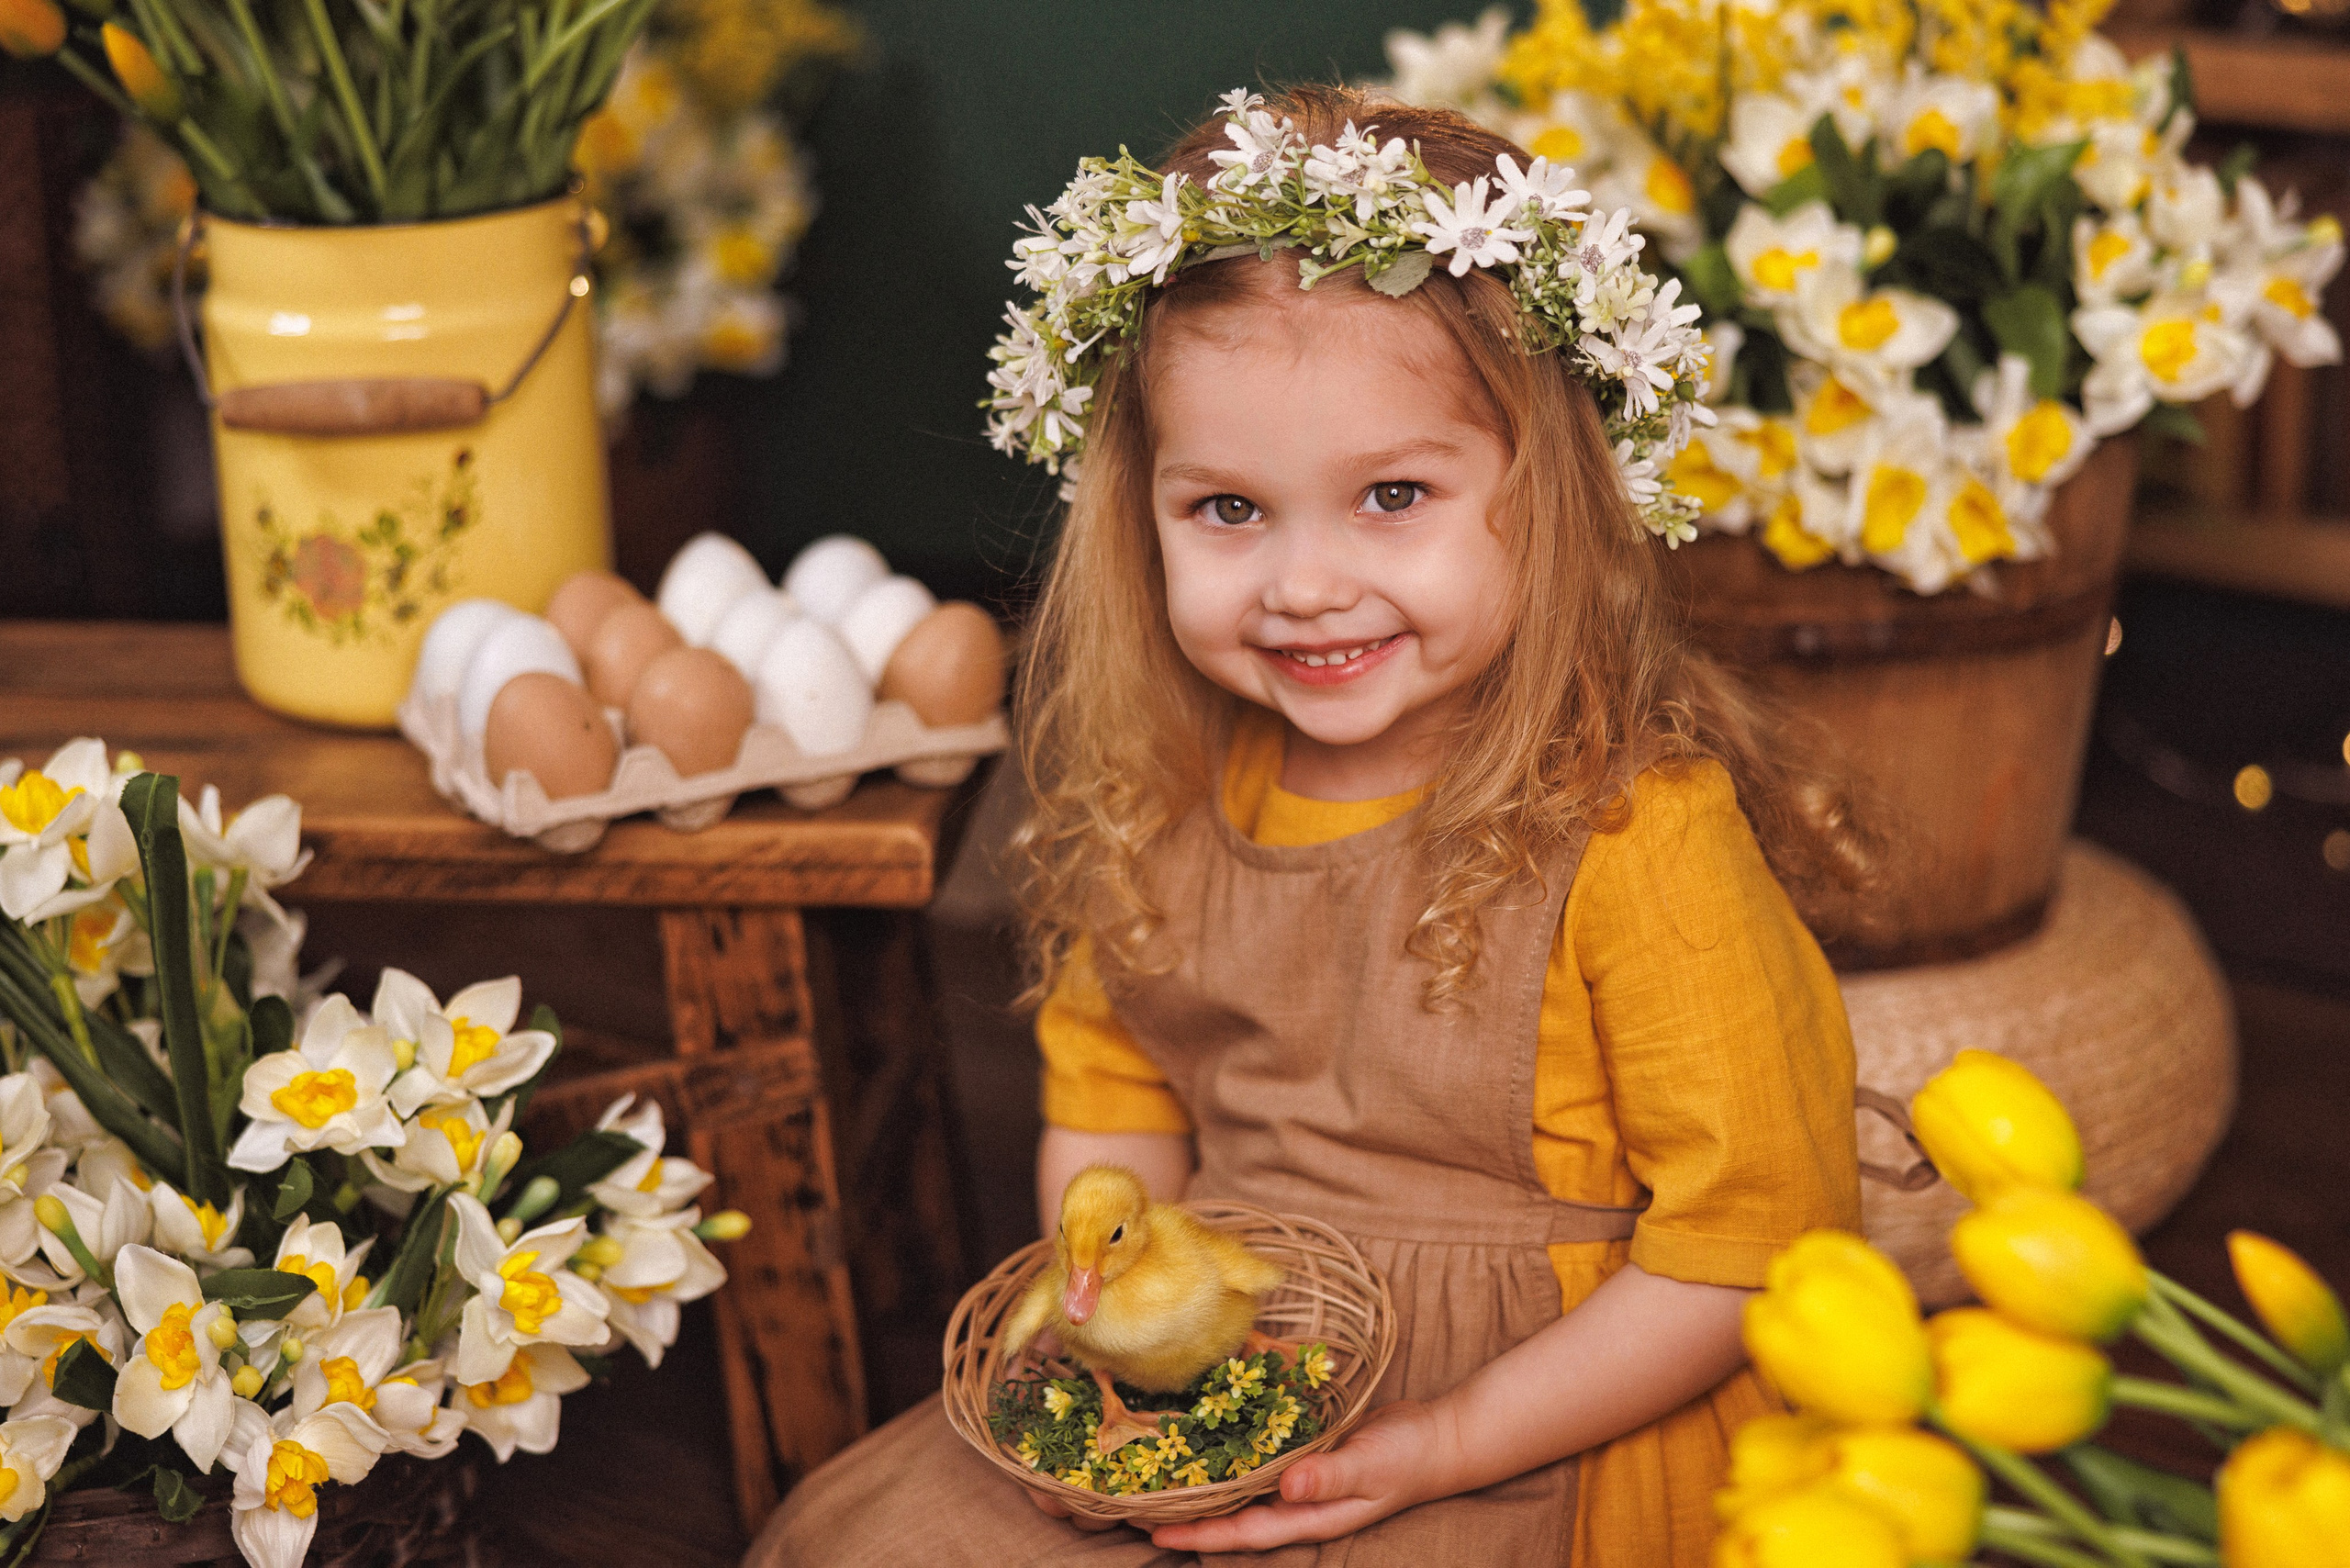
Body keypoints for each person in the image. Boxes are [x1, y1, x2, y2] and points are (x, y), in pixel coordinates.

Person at [749, 83, 1870, 1567]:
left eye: (1391, 494)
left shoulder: (1634, 839)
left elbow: (1749, 1251)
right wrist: (1125, 1360)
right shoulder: (1159, 803)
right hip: (1240, 1351)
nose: (1304, 584)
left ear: (1556, 496)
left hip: (1544, 1412)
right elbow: (1116, 1102)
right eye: (1229, 511)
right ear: (1137, 508)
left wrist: (1442, 1445)